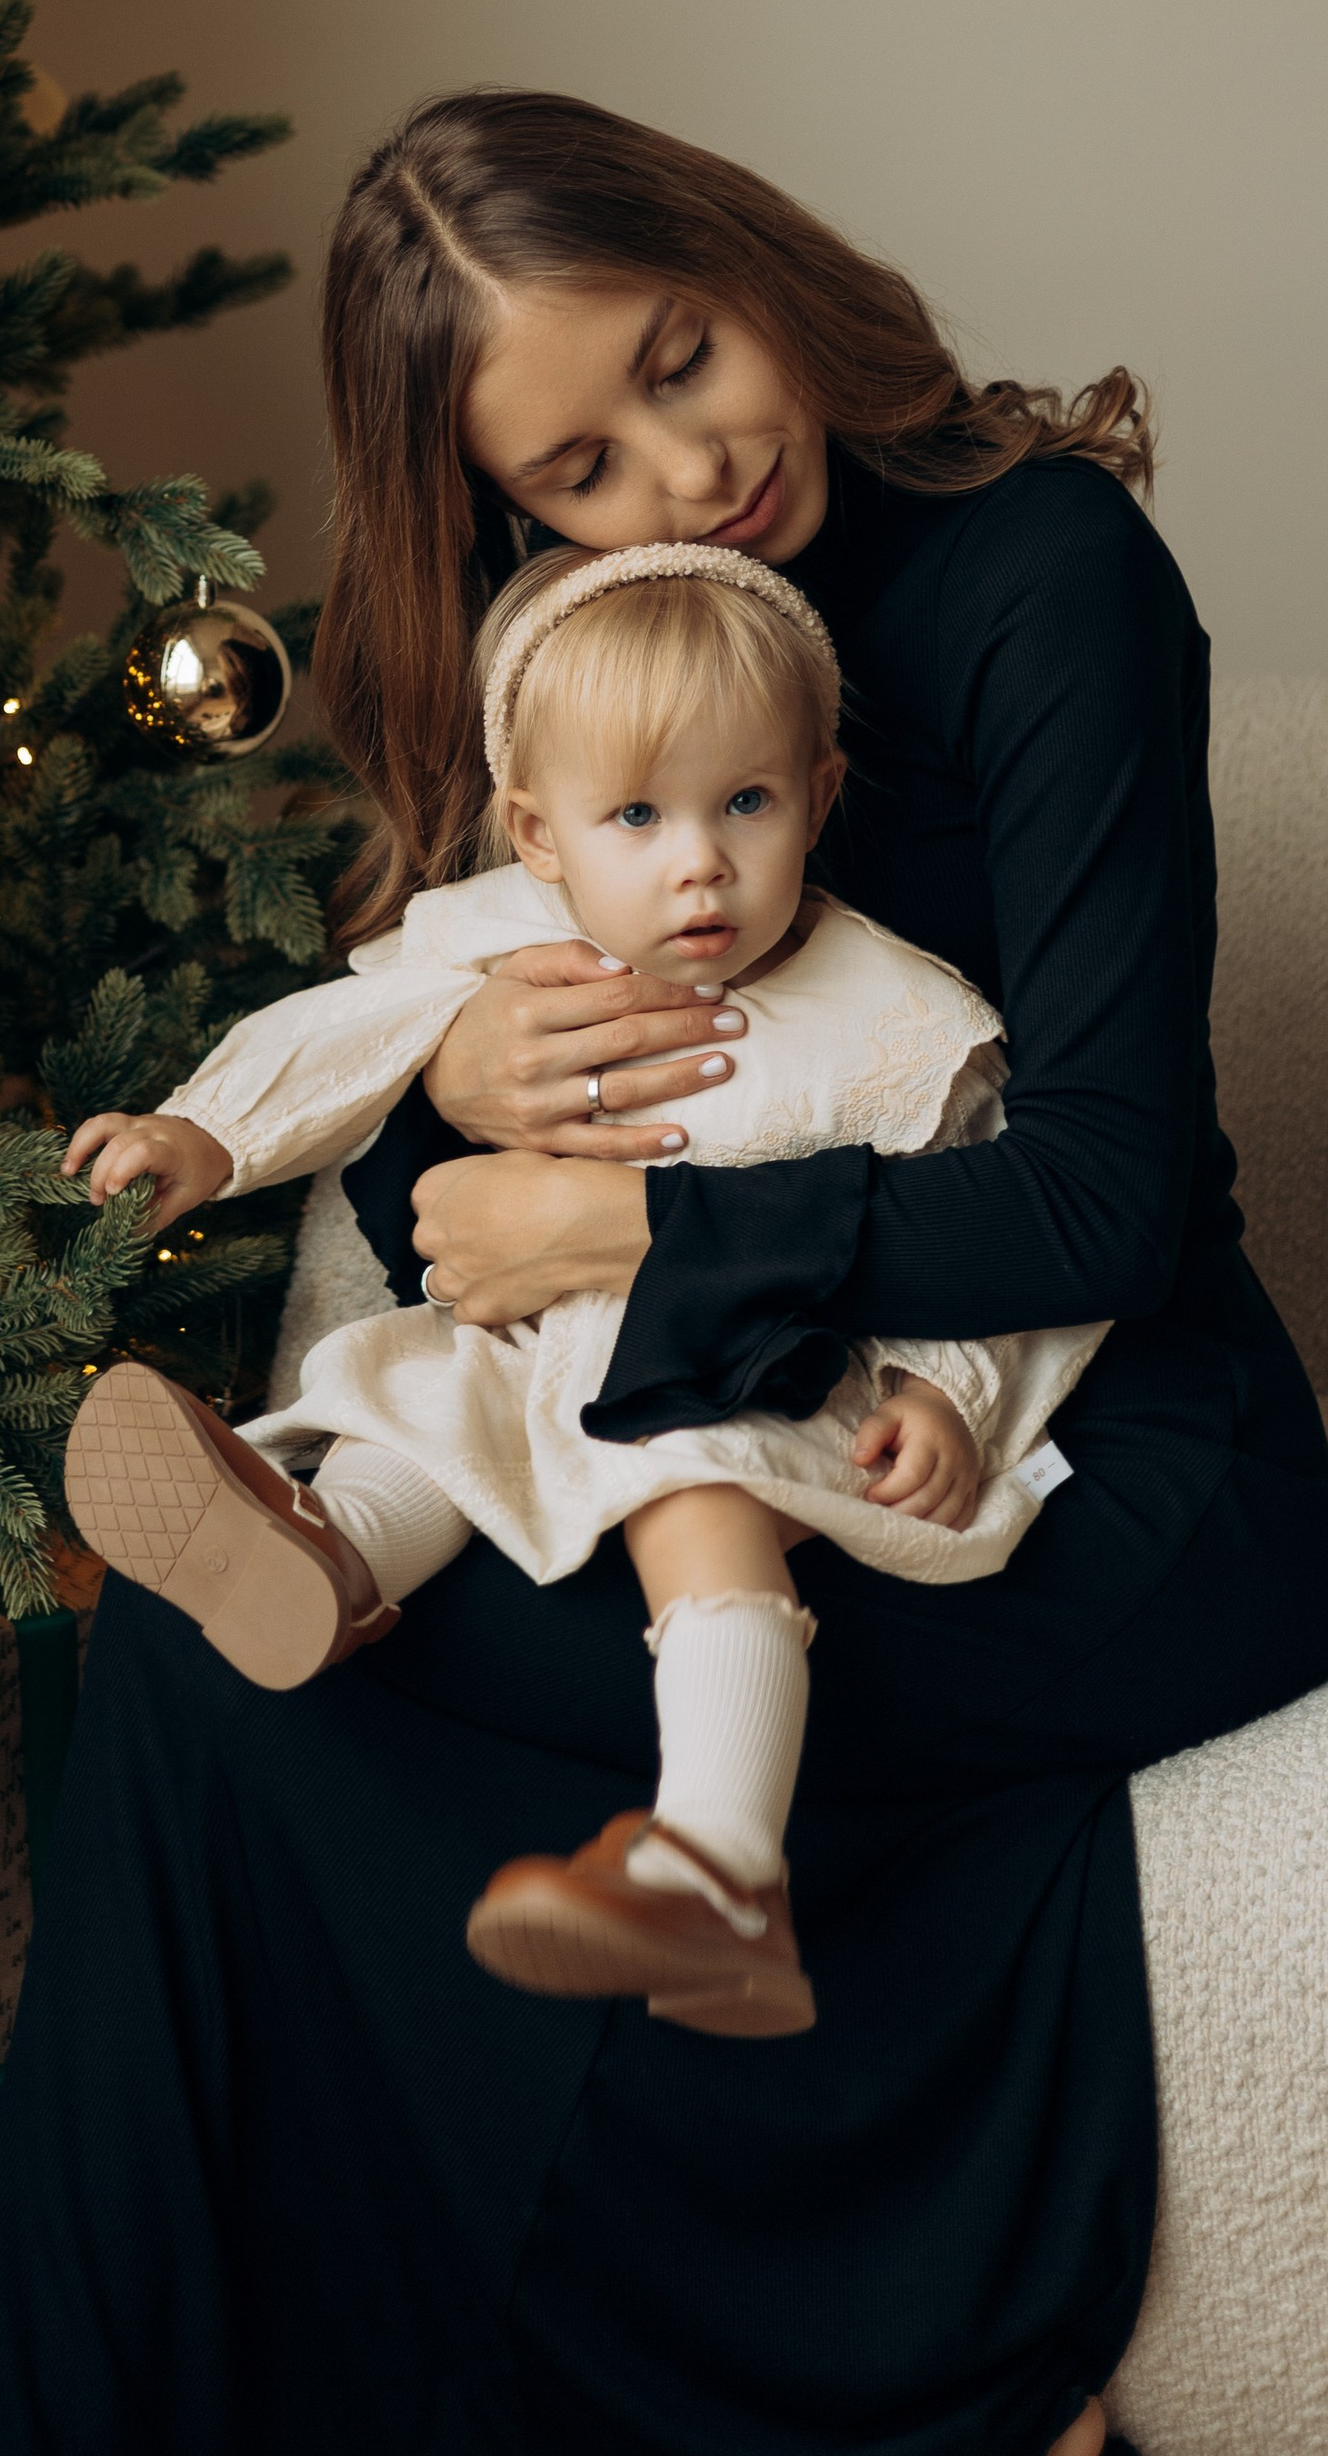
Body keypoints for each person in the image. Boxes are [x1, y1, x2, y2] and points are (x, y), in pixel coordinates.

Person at [0, 91, 1328, 2456]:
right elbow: (453, 1120)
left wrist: (623, 1218)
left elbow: (1103, 1197)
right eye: (577, 474)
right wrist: (478, 1099)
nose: (682, 480)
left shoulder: (1045, 581)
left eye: (683, 362)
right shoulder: (595, 664)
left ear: (747, 260)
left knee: (263, 1696)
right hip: (708, 1400)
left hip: (1085, 1457)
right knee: (221, 1668)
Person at [57, 541, 1106, 2039]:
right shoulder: (509, 942)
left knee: (698, 1487)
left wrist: (952, 1384)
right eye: (639, 817)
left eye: (745, 803)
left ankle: (723, 1871)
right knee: (418, 1398)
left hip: (746, 1361)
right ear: (539, 836)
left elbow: (998, 1215)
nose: (700, 863)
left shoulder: (897, 1013)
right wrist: (204, 1133)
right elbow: (345, 1041)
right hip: (543, 1339)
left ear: (819, 791)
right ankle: (330, 1558)